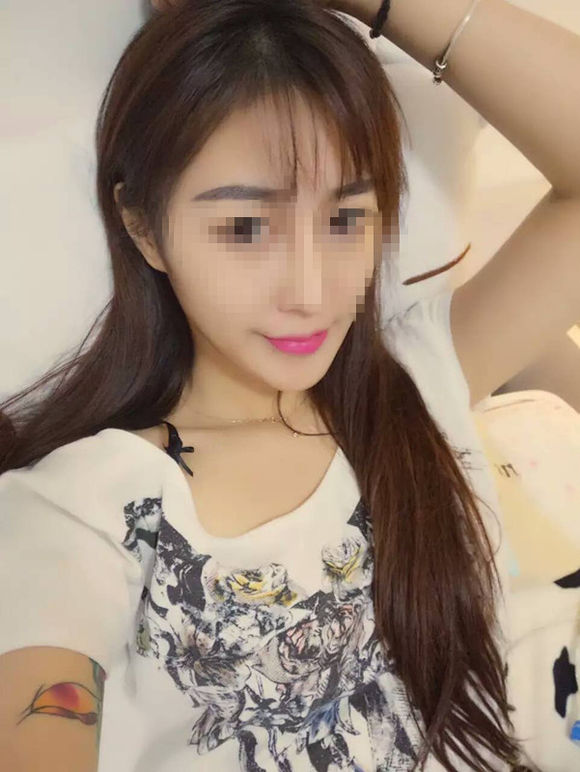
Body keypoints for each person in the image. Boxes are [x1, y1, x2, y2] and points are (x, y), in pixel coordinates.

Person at [3, 0, 579, 770]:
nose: (310, 292)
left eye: (346, 219)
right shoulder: (83, 506)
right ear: (143, 227)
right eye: (245, 228)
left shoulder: (413, 385)